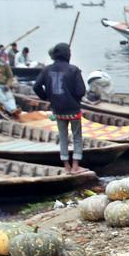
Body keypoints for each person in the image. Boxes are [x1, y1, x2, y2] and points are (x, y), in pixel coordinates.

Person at [33, 43, 86, 174]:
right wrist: (75, 98)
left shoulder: (46, 70)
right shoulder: (74, 70)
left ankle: (66, 167)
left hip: (57, 110)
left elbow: (36, 87)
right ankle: (75, 166)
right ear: (67, 54)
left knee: (63, 137)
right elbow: (81, 91)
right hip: (73, 109)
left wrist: (47, 98)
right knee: (77, 137)